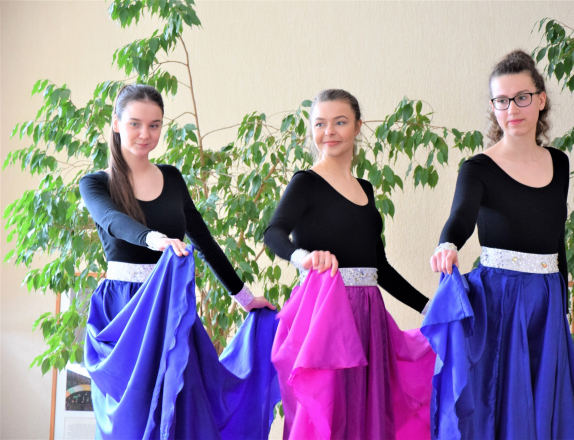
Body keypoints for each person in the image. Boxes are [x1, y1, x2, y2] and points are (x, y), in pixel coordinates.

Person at [80, 84, 278, 440]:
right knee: (133, 422)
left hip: (172, 310)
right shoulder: (95, 183)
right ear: (116, 124)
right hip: (124, 312)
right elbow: (112, 220)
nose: (145, 134)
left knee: (184, 414)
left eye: (154, 125)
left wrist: (245, 298)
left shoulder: (171, 178)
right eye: (135, 124)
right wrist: (155, 239)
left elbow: (205, 242)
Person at [426, 50, 574, 439]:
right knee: (498, 412)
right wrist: (447, 244)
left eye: (521, 98)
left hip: (547, 303)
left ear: (541, 99)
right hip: (499, 304)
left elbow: (557, 237)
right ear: (493, 107)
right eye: (501, 100)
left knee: (543, 412)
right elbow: (460, 217)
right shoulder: (478, 168)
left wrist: (565, 306)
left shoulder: (560, 163)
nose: (511, 109)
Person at [265, 89, 435, 440]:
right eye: (320, 124)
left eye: (339, 122)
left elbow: (379, 267)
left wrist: (429, 307)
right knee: (328, 416)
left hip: (369, 318)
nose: (329, 131)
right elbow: (274, 233)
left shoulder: (366, 189)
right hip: (326, 314)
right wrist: (303, 258)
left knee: (367, 416)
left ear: (358, 126)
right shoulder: (306, 183)